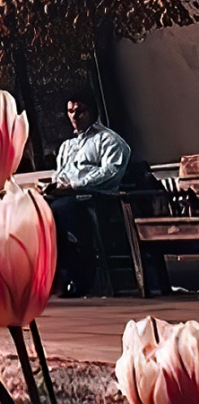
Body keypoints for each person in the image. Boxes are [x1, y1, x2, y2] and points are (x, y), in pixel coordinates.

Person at [45, 89, 131, 295]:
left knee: (62, 210)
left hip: (97, 200)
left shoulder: (109, 141)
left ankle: (81, 274)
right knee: (39, 210)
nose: (74, 116)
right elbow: (60, 175)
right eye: (70, 111)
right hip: (65, 197)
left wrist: (75, 184)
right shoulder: (67, 146)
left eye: (80, 111)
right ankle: (58, 273)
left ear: (92, 111)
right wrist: (53, 185)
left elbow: (111, 171)